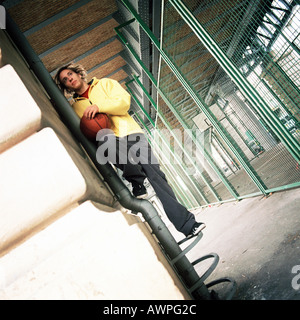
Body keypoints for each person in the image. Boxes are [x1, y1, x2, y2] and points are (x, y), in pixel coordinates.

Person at [54, 63, 205, 238]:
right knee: (105, 137)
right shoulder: (75, 108)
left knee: (157, 177)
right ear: (65, 86)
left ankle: (188, 225)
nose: (69, 79)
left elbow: (123, 103)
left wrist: (99, 107)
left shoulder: (105, 84)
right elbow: (85, 132)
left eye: (70, 74)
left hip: (131, 134)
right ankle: (136, 180)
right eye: (65, 80)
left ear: (79, 74)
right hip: (111, 143)